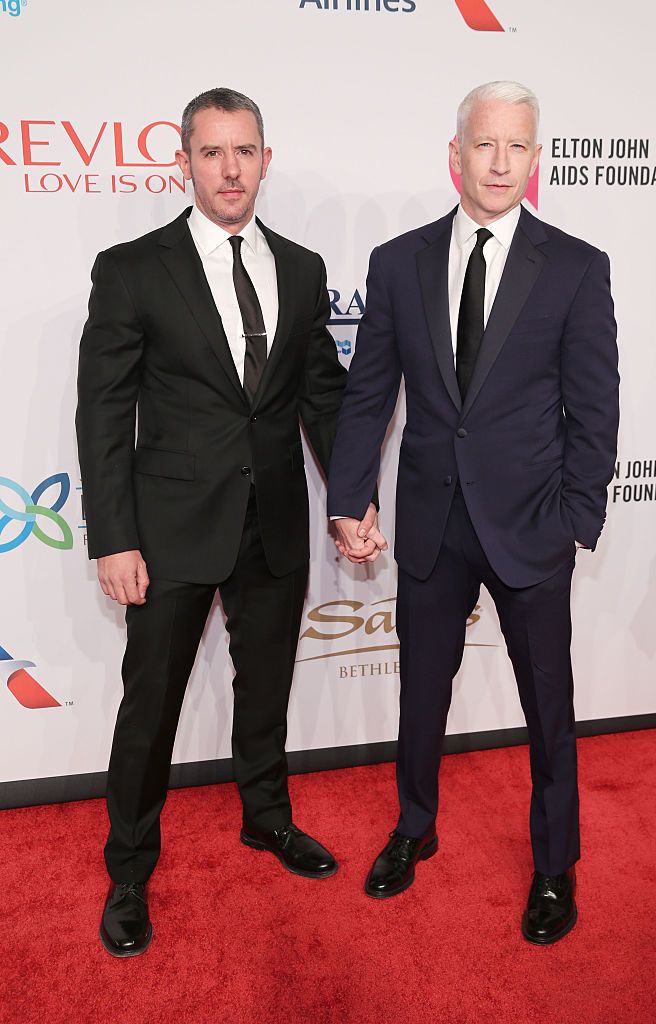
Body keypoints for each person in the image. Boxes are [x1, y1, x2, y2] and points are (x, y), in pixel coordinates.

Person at [77, 87, 375, 958]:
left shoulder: (305, 266)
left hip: (275, 518)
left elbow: (323, 394)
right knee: (150, 707)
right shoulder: (132, 267)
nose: (230, 168)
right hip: (168, 528)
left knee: (266, 688)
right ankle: (128, 873)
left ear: (265, 159)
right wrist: (112, 535)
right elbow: (104, 413)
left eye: (244, 151)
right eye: (211, 153)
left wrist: (353, 497)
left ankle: (266, 819)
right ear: (184, 161)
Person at [328, 81, 619, 945]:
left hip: (531, 525)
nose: (499, 163)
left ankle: (554, 866)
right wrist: (350, 498)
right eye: (484, 145)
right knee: (422, 696)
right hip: (428, 521)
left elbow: (593, 409)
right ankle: (414, 826)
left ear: (536, 160)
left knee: (548, 709)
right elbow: (367, 396)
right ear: (453, 155)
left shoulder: (574, 265)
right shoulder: (398, 260)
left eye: (517, 147)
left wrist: (573, 516)